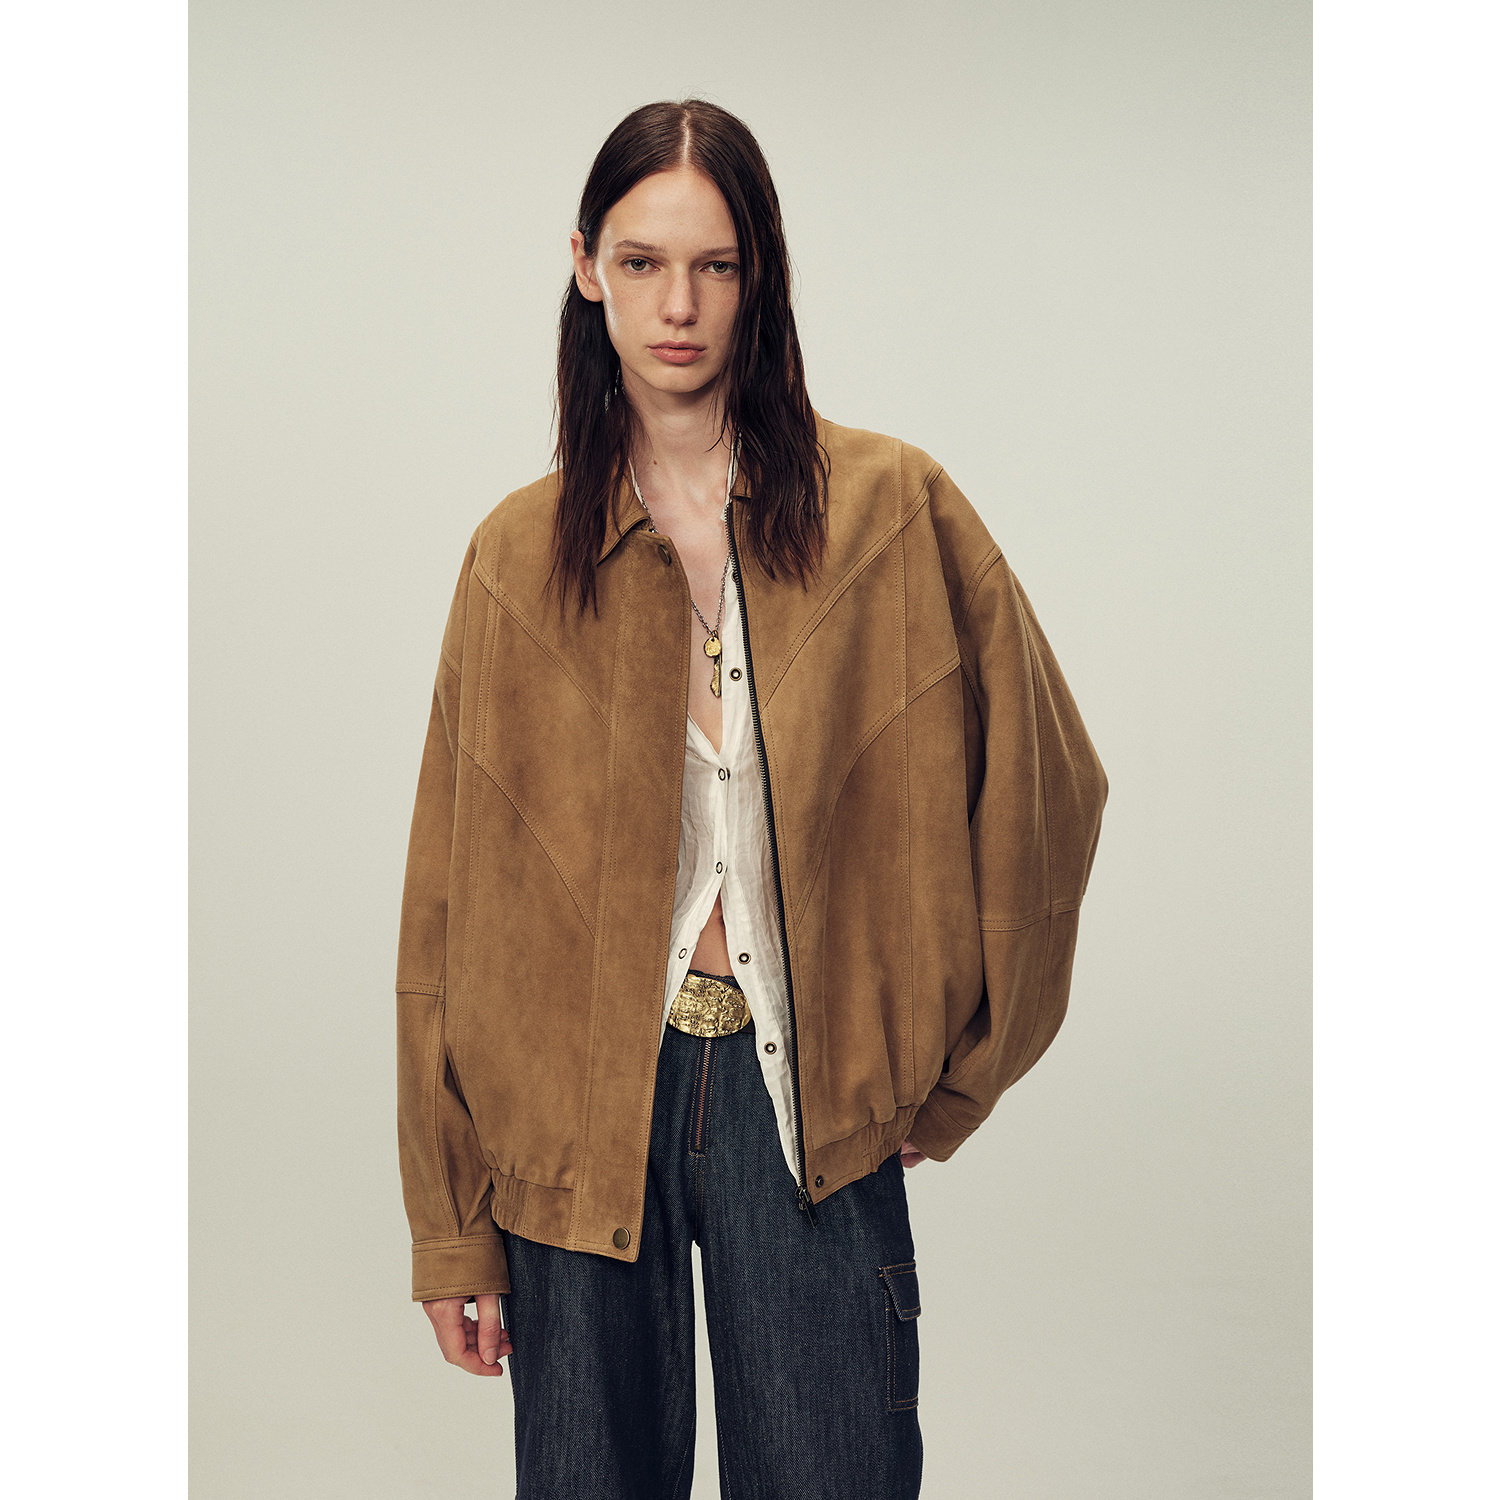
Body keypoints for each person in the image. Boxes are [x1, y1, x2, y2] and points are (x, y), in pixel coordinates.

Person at [394, 98, 1108, 1498]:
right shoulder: (515, 558)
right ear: (586, 267)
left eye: (714, 265)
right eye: (643, 262)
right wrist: (451, 1223)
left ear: (759, 273)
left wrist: (956, 1071)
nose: (679, 306)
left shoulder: (893, 511)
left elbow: (1049, 789)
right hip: (574, 1118)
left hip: (809, 1100)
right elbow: (444, 907)